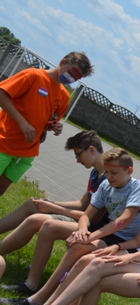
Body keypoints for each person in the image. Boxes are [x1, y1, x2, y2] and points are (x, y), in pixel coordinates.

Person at [23, 181, 140, 305]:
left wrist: (132, 257)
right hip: (136, 253)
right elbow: (137, 241)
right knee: (86, 260)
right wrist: (117, 247)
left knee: (95, 272)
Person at [7, 148, 140, 305]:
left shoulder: (138, 186)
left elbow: (122, 221)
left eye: (114, 173)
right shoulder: (105, 185)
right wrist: (82, 231)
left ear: (129, 170)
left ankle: (38, 300)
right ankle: (30, 284)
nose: (109, 176)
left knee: (78, 247)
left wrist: (89, 238)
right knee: (49, 227)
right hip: (107, 233)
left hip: (125, 242)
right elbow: (86, 215)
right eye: (107, 172)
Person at [0, 130, 106, 288]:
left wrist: (53, 207)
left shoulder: (109, 178)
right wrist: (50, 202)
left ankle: (28, 282)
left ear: (91, 150)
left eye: (78, 155)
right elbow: (81, 203)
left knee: (36, 220)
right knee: (32, 203)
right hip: (82, 218)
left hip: (90, 228)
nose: (77, 160)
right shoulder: (95, 172)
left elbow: (92, 218)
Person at [0, 51, 94, 196]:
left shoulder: (64, 96)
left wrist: (53, 127)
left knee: (1, 189)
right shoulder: (34, 75)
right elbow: (2, 93)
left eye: (77, 78)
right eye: (72, 72)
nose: (72, 78)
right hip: (4, 142)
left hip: (27, 152)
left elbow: (48, 120)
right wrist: (22, 122)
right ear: (62, 62)